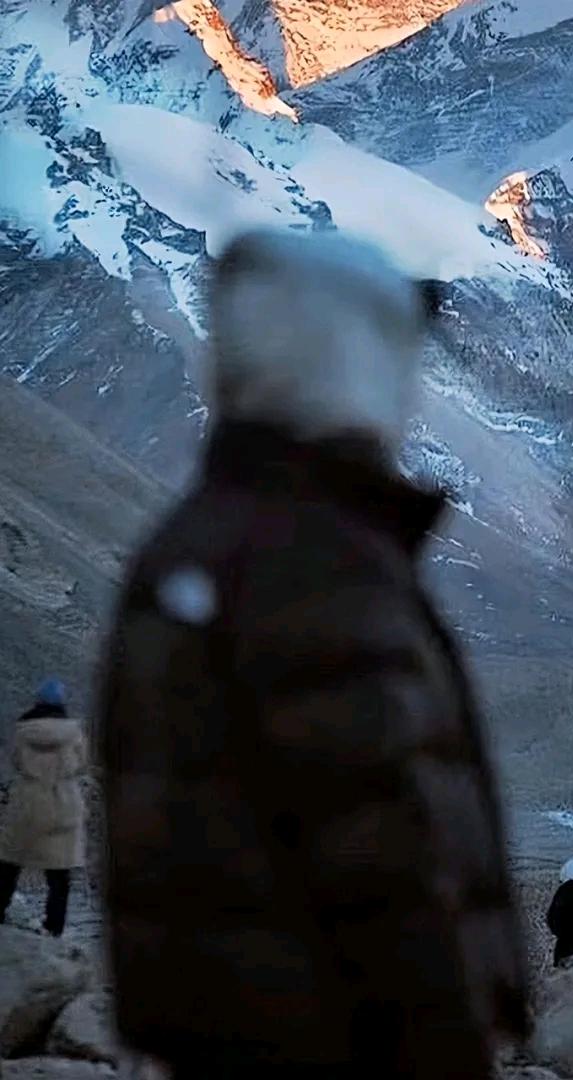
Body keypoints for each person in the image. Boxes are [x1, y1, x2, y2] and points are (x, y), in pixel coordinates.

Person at [98, 228, 527, 1078]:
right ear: (341, 358)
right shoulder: (311, 566)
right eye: (391, 346)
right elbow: (382, 858)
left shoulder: (209, 541)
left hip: (233, 1037)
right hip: (337, 1044)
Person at [0, 679, 86, 937]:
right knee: (59, 872)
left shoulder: (23, 730)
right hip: (63, 802)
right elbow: (82, 763)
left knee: (9, 863)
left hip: (29, 801)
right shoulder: (75, 733)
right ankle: (54, 927)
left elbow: (16, 760)